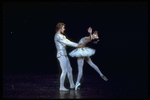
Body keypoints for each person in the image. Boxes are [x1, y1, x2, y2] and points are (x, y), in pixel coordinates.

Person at [54, 22, 84, 91]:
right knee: (64, 70)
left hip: (64, 55)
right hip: (61, 55)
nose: (64, 29)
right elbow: (67, 42)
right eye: (63, 28)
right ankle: (61, 87)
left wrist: (77, 44)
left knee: (69, 69)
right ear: (60, 28)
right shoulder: (57, 36)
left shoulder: (61, 36)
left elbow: (68, 41)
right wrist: (77, 45)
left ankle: (72, 84)